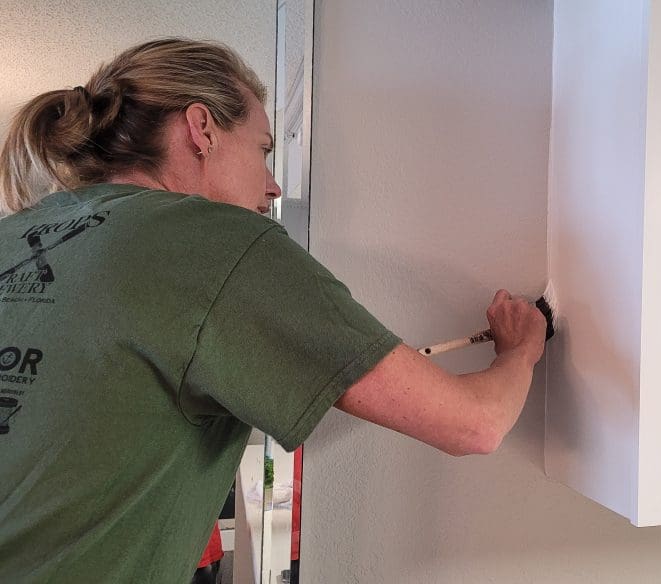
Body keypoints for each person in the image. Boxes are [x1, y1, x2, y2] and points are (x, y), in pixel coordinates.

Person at [0, 38, 547, 583]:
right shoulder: (216, 240)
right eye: (263, 149)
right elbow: (473, 425)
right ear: (202, 129)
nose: (273, 185)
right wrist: (520, 350)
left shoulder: (13, 236)